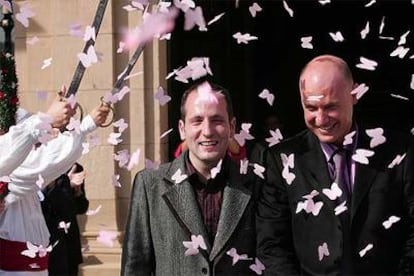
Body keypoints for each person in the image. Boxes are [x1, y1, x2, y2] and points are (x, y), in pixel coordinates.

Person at [256, 54, 414, 275]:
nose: (321, 119)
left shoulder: (399, 151)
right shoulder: (281, 159)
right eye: (311, 108)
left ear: (355, 94)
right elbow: (272, 245)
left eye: (331, 107)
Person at [122, 80, 261, 275]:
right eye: (197, 121)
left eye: (217, 120)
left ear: (232, 127)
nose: (207, 131)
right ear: (181, 128)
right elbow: (135, 267)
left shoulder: (256, 184)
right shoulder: (149, 185)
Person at [0, 90, 110, 275]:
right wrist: (51, 119)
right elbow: (41, 160)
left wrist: (80, 124)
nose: (38, 145)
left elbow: (45, 155)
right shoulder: (14, 172)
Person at [40, 163, 89, 276]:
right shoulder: (37, 166)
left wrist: (78, 193)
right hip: (46, 238)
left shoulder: (74, 167)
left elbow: (80, 208)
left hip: (68, 242)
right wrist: (63, 186)